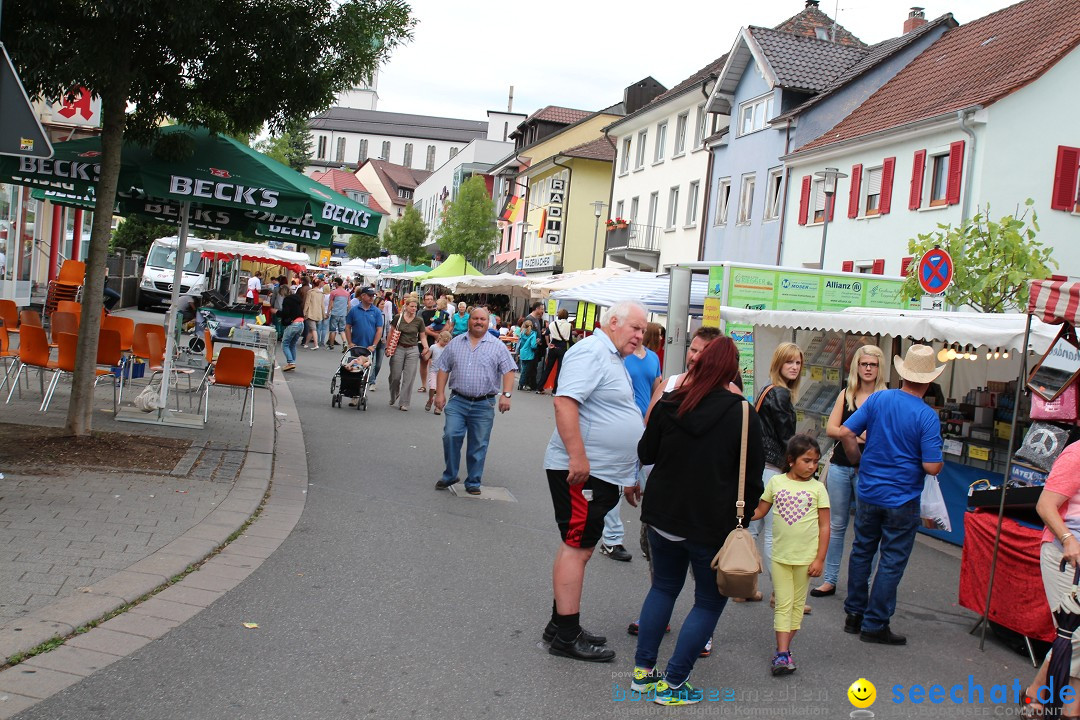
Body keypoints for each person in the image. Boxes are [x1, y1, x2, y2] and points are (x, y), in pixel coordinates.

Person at [630, 336, 765, 705]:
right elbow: (754, 477)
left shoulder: (671, 403)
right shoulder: (742, 412)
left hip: (662, 515)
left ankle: (643, 674)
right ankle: (674, 684)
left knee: (663, 589)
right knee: (707, 601)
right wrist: (744, 516)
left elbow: (646, 452)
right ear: (732, 370)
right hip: (712, 523)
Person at [543, 300, 648, 663]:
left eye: (643, 330)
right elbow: (565, 402)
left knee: (580, 545)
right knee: (577, 547)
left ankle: (561, 625)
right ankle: (566, 637)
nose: (640, 336)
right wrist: (578, 456)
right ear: (614, 322)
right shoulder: (592, 351)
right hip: (585, 472)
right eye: (636, 328)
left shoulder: (612, 357)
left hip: (600, 472)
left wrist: (629, 474)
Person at [837, 344, 944, 646]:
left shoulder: (879, 398)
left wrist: (857, 458)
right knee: (891, 559)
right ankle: (875, 623)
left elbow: (846, 432)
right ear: (928, 381)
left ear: (903, 374)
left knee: (862, 551)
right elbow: (931, 466)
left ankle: (853, 614)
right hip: (902, 497)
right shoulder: (927, 416)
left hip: (869, 490)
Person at [750, 434, 829, 676]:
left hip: (806, 560)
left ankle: (783, 649)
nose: (812, 466)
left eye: (815, 461)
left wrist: (819, 559)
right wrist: (735, 512)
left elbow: (825, 526)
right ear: (791, 460)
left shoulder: (818, 489)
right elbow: (760, 511)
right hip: (781, 557)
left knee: (796, 608)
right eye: (807, 460)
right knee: (784, 605)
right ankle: (782, 653)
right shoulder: (776, 483)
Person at [812, 345, 887, 598]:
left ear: (880, 368)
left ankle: (863, 584)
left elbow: (886, 435)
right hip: (841, 467)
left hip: (870, 470)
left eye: (873, 365)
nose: (868, 369)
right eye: (864, 364)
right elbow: (831, 429)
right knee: (836, 525)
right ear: (856, 366)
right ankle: (830, 579)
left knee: (867, 529)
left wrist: (851, 431)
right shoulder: (846, 394)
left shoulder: (886, 396)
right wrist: (854, 432)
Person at [742, 342, 804, 606]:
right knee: (774, 533)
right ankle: (781, 594)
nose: (794, 367)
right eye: (789, 362)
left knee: (753, 529)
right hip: (772, 467)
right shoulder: (779, 394)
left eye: (798, 363)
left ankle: (743, 585)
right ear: (778, 363)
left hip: (759, 467)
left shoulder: (767, 389)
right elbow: (787, 437)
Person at [1022, 440, 1080, 718]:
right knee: (1076, 636)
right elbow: (1045, 505)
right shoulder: (1076, 454)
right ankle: (1061, 707)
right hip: (1065, 555)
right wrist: (1069, 540)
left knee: (1075, 639)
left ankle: (1040, 695)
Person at [433, 308, 517, 493]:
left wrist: (506, 394)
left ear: (489, 323)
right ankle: (450, 474)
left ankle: (473, 481)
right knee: (451, 435)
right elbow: (443, 368)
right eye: (475, 318)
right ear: (468, 320)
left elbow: (509, 370)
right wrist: (439, 394)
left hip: (484, 403)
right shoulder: (455, 343)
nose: (479, 322)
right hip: (458, 400)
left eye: (482, 319)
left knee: (478, 443)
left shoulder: (497, 345)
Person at [600, 321, 663, 564]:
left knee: (652, 482)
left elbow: (657, 390)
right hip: (622, 427)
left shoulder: (653, 358)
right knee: (617, 483)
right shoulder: (621, 358)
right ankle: (612, 539)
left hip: (646, 428)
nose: (639, 335)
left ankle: (653, 539)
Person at [344, 287, 384, 406]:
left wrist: (374, 345)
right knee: (355, 370)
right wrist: (350, 342)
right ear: (363, 296)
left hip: (369, 348)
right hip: (356, 346)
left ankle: (361, 392)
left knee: (366, 371)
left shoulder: (376, 312)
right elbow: (348, 327)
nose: (372, 298)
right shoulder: (354, 310)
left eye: (373, 296)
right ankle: (354, 394)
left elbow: (379, 329)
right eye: (369, 295)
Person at [387, 297, 428, 411]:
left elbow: (423, 336)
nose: (414, 308)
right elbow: (391, 333)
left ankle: (404, 402)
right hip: (398, 348)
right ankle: (394, 394)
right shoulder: (398, 318)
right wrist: (387, 346)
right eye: (412, 306)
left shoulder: (419, 320)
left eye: (416, 307)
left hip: (412, 349)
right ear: (406, 306)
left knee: (409, 377)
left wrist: (425, 347)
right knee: (395, 376)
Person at [539, 308, 573, 395]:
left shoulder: (552, 324)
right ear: (567, 316)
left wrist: (548, 344)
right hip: (562, 347)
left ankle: (539, 387)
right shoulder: (569, 325)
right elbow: (569, 340)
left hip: (553, 346)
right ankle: (555, 390)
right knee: (559, 370)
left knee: (548, 368)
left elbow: (546, 333)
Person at [424, 331, 452, 413]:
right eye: (444, 341)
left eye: (447, 342)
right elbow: (427, 357)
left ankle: (438, 407)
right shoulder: (433, 347)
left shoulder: (448, 348)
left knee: (440, 390)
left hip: (442, 372)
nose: (445, 343)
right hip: (433, 370)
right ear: (439, 339)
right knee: (432, 387)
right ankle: (430, 399)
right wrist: (424, 355)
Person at [279, 286, 304, 371]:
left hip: (294, 324)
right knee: (292, 344)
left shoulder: (287, 300)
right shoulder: (297, 299)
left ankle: (290, 362)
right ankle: (292, 361)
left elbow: (286, 312)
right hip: (301, 323)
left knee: (285, 344)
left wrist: (278, 312)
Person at [418, 292, 438, 392]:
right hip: (423, 339)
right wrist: (434, 334)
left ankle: (433, 386)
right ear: (424, 301)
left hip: (435, 341)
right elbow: (422, 327)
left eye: (431, 299)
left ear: (434, 301)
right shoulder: (421, 312)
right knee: (423, 362)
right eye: (427, 299)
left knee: (433, 363)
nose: (429, 301)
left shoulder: (438, 312)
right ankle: (423, 385)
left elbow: (446, 324)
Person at [327, 278, 350, 350]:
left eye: (334, 283)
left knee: (333, 330)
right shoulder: (347, 293)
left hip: (335, 313)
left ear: (337, 283)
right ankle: (344, 342)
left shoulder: (334, 292)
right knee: (342, 330)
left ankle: (331, 345)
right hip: (343, 314)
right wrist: (347, 312)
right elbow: (349, 305)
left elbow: (330, 304)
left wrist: (328, 312)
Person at [516, 320, 539, 391]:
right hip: (529, 354)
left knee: (524, 369)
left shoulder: (522, 333)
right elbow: (533, 346)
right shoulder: (533, 334)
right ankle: (521, 384)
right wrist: (537, 343)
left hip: (522, 353)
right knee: (526, 371)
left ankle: (522, 384)